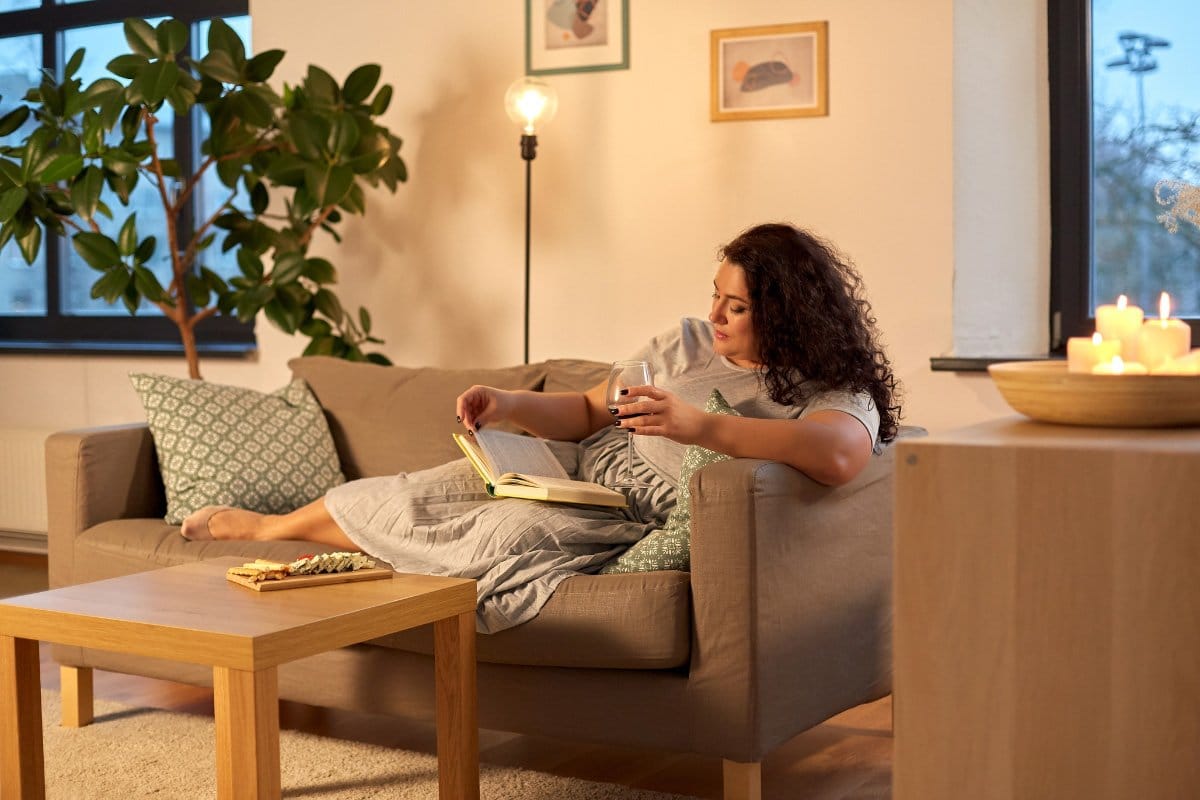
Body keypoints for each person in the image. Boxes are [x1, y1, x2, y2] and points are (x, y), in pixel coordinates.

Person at [182, 222, 901, 632]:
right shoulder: (685, 344)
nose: (713, 316)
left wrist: (699, 428)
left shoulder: (829, 389)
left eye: (735, 307)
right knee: (418, 492)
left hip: (627, 514)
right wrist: (512, 405)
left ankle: (309, 553)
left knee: (504, 536)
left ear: (788, 311)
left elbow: (838, 457)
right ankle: (268, 531)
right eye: (714, 296)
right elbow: (591, 410)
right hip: (575, 466)